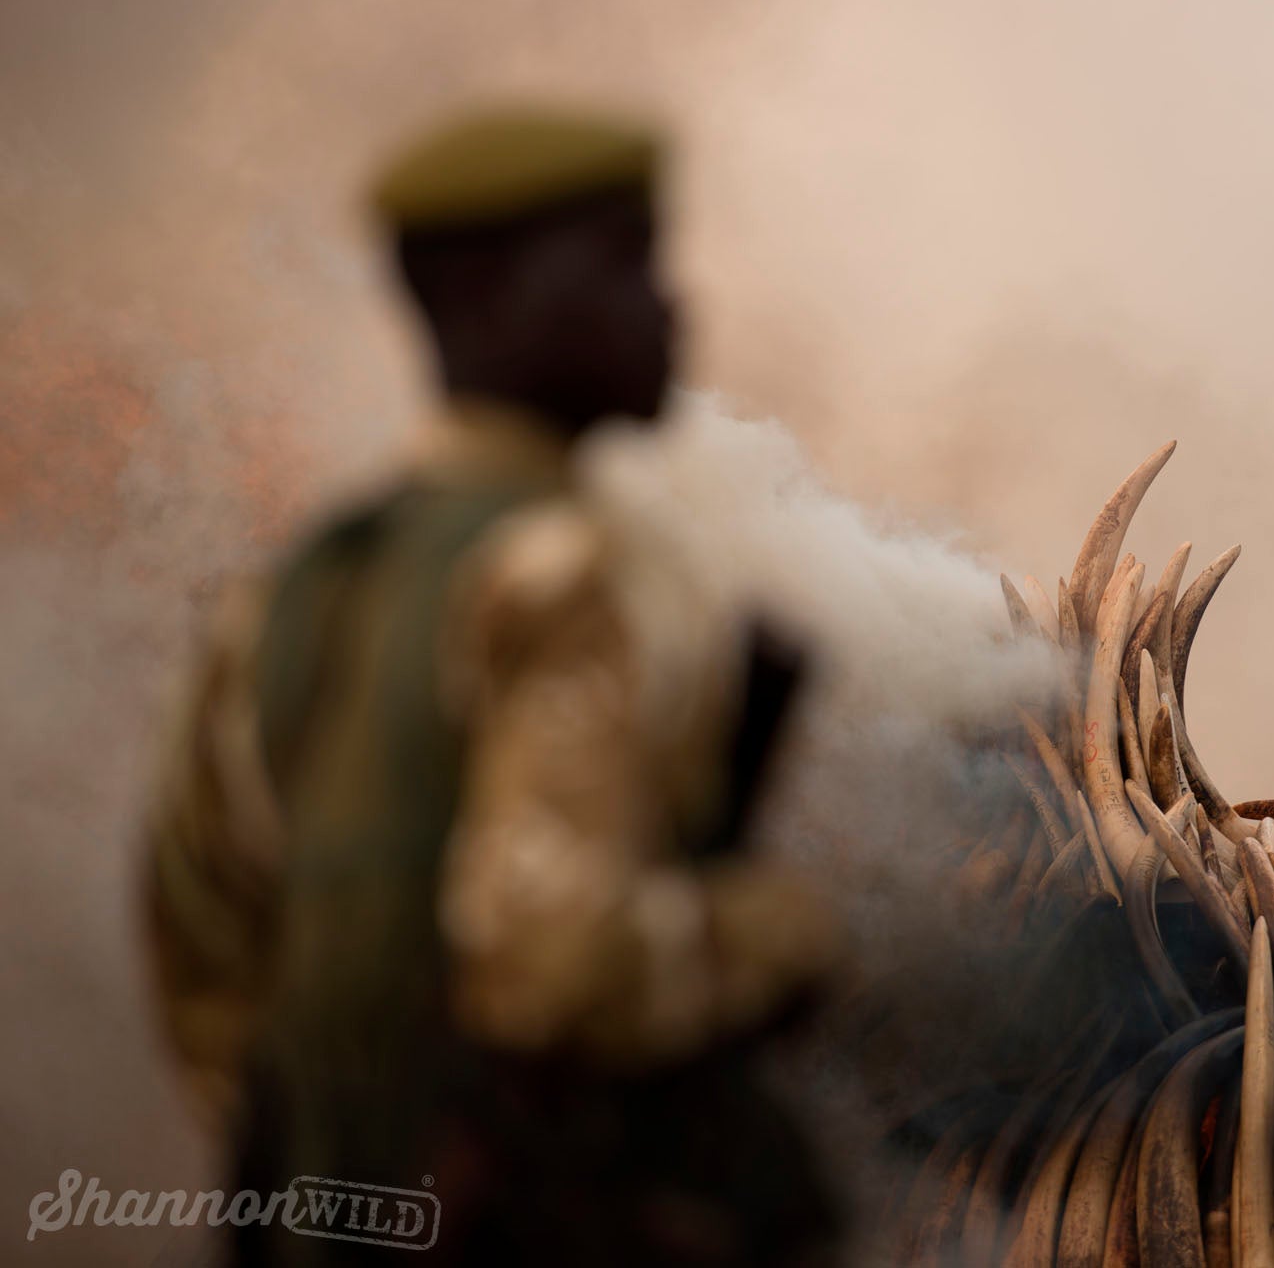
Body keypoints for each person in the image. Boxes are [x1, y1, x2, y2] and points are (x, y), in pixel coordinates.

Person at [140, 105, 843, 1266]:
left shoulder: (304, 585)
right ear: (487, 302)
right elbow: (553, 973)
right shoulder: (566, 572)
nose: (667, 303)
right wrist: (771, 934)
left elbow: (199, 934)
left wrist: (337, 1166)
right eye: (622, 264)